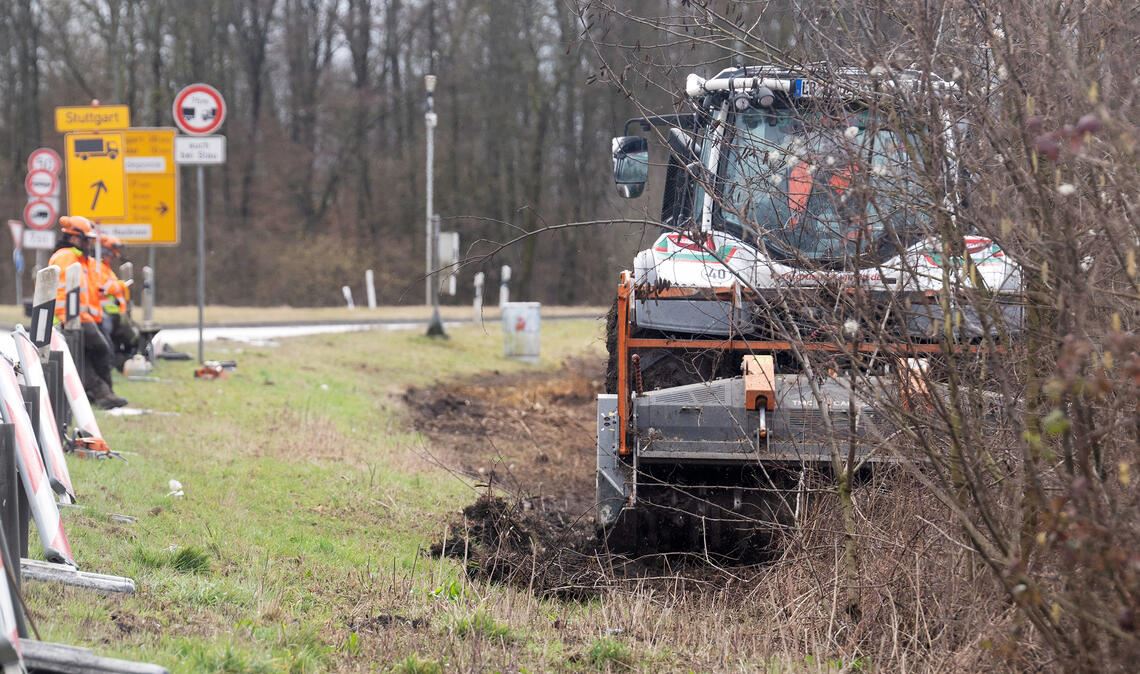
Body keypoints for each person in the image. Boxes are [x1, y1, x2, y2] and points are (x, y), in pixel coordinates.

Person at [48, 216, 127, 409]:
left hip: (82, 317)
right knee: (98, 350)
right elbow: (62, 292)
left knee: (91, 355)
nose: (90, 244)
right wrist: (68, 318)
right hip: (71, 318)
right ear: (75, 238)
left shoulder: (81, 260)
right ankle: (102, 393)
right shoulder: (66, 257)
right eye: (87, 239)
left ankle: (103, 394)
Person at [94, 234, 139, 367]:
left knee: (128, 337)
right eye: (113, 252)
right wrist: (121, 285)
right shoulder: (97, 268)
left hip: (114, 313)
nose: (116, 255)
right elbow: (104, 287)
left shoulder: (106, 268)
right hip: (105, 314)